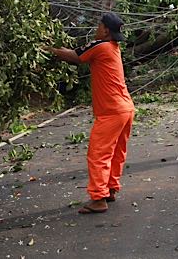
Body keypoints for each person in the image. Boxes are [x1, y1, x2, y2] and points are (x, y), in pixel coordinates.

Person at [49, 13, 134, 214]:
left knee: (98, 154)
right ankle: (110, 189)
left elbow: (74, 56)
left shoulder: (100, 46)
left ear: (105, 30)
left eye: (99, 25)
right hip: (125, 108)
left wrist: (48, 49)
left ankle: (98, 199)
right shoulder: (114, 47)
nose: (96, 28)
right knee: (116, 152)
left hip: (111, 111)